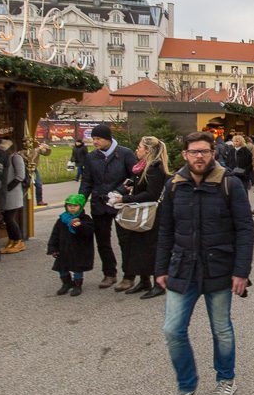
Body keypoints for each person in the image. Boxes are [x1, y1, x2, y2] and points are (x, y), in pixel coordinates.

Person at [155, 131, 254, 395]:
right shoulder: (174, 185)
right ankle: (187, 388)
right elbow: (165, 230)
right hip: (182, 268)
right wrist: (160, 268)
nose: (200, 156)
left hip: (219, 267)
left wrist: (241, 272)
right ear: (184, 154)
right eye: (194, 152)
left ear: (214, 152)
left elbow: (245, 229)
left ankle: (226, 379)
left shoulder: (229, 184)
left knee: (221, 329)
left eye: (205, 151)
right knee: (173, 330)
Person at [79, 124, 137, 287]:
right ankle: (109, 273)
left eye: (98, 139)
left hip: (119, 203)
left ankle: (129, 275)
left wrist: (118, 192)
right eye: (93, 139)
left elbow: (133, 176)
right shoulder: (91, 157)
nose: (95, 142)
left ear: (108, 139)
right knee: (102, 241)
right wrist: (80, 199)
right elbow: (87, 181)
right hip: (99, 203)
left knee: (124, 240)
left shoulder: (125, 154)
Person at [112, 136, 170, 298]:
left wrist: (125, 199)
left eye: (139, 147)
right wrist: (129, 186)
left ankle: (159, 284)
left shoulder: (154, 168)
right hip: (142, 212)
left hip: (152, 214)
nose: (137, 150)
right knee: (140, 248)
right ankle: (144, 281)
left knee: (151, 249)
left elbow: (152, 194)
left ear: (148, 151)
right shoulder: (142, 167)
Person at [48, 193, 95, 296]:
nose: (72, 208)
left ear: (81, 206)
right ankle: (66, 283)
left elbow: (89, 231)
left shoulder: (85, 219)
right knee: (62, 267)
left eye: (75, 206)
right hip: (63, 249)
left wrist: (80, 226)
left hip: (78, 249)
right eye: (69, 206)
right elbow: (55, 235)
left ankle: (77, 285)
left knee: (77, 267)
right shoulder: (62, 219)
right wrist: (53, 248)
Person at [0, 139, 27, 254]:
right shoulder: (6, 158)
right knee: (7, 218)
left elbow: (20, 176)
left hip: (13, 193)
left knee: (10, 218)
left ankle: (19, 241)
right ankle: (12, 240)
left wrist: (7, 188)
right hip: (6, 193)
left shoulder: (16, 157)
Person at [25, 141, 52, 206]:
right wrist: (37, 150)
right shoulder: (26, 149)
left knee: (38, 184)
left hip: (34, 169)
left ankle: (39, 201)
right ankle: (26, 202)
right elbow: (29, 157)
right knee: (26, 185)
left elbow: (46, 153)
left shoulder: (37, 149)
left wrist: (47, 148)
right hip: (25, 168)